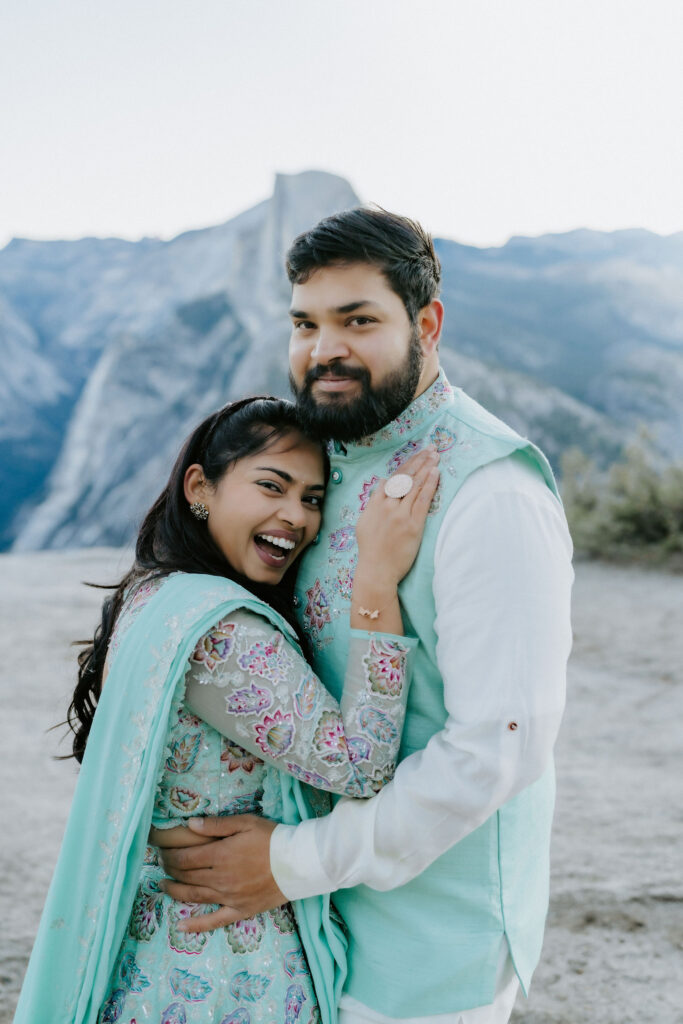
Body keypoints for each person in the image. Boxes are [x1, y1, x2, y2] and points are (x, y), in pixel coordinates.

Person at [158, 209, 575, 1024]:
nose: (324, 351)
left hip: (422, 944)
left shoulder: (493, 498)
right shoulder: (325, 457)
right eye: (306, 323)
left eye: (357, 321)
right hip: (303, 918)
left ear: (426, 324)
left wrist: (290, 861)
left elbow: (497, 751)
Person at [13, 396, 440, 1024]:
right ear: (199, 488)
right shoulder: (224, 632)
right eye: (272, 485)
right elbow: (360, 767)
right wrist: (375, 581)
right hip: (226, 966)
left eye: (314, 499)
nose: (294, 517)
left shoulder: (156, 593)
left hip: (159, 943)